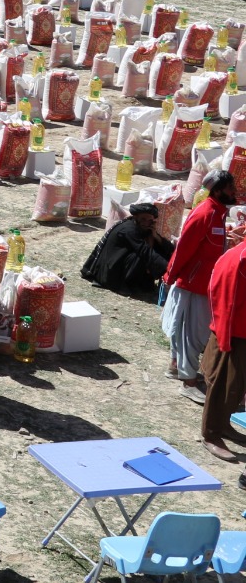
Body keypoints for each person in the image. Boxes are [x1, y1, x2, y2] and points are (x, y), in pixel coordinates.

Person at [164, 169, 235, 405]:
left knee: (189, 332)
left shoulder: (220, 214)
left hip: (206, 285)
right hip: (193, 284)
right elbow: (184, 247)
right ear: (217, 190)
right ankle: (189, 382)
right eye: (230, 188)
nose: (234, 192)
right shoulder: (204, 213)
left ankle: (176, 367)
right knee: (192, 336)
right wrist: (170, 276)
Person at [202, 228, 246, 463]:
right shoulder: (240, 259)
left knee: (237, 388)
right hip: (232, 334)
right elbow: (225, 301)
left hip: (241, 333)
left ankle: (224, 425)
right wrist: (225, 340)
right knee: (222, 386)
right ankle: (211, 435)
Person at [81, 202, 172, 297]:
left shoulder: (147, 230)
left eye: (149, 220)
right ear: (136, 217)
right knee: (143, 256)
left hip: (122, 265)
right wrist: (168, 269)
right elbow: (145, 251)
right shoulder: (128, 229)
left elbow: (170, 249)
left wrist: (155, 236)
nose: (146, 223)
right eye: (143, 219)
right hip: (111, 272)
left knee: (161, 249)